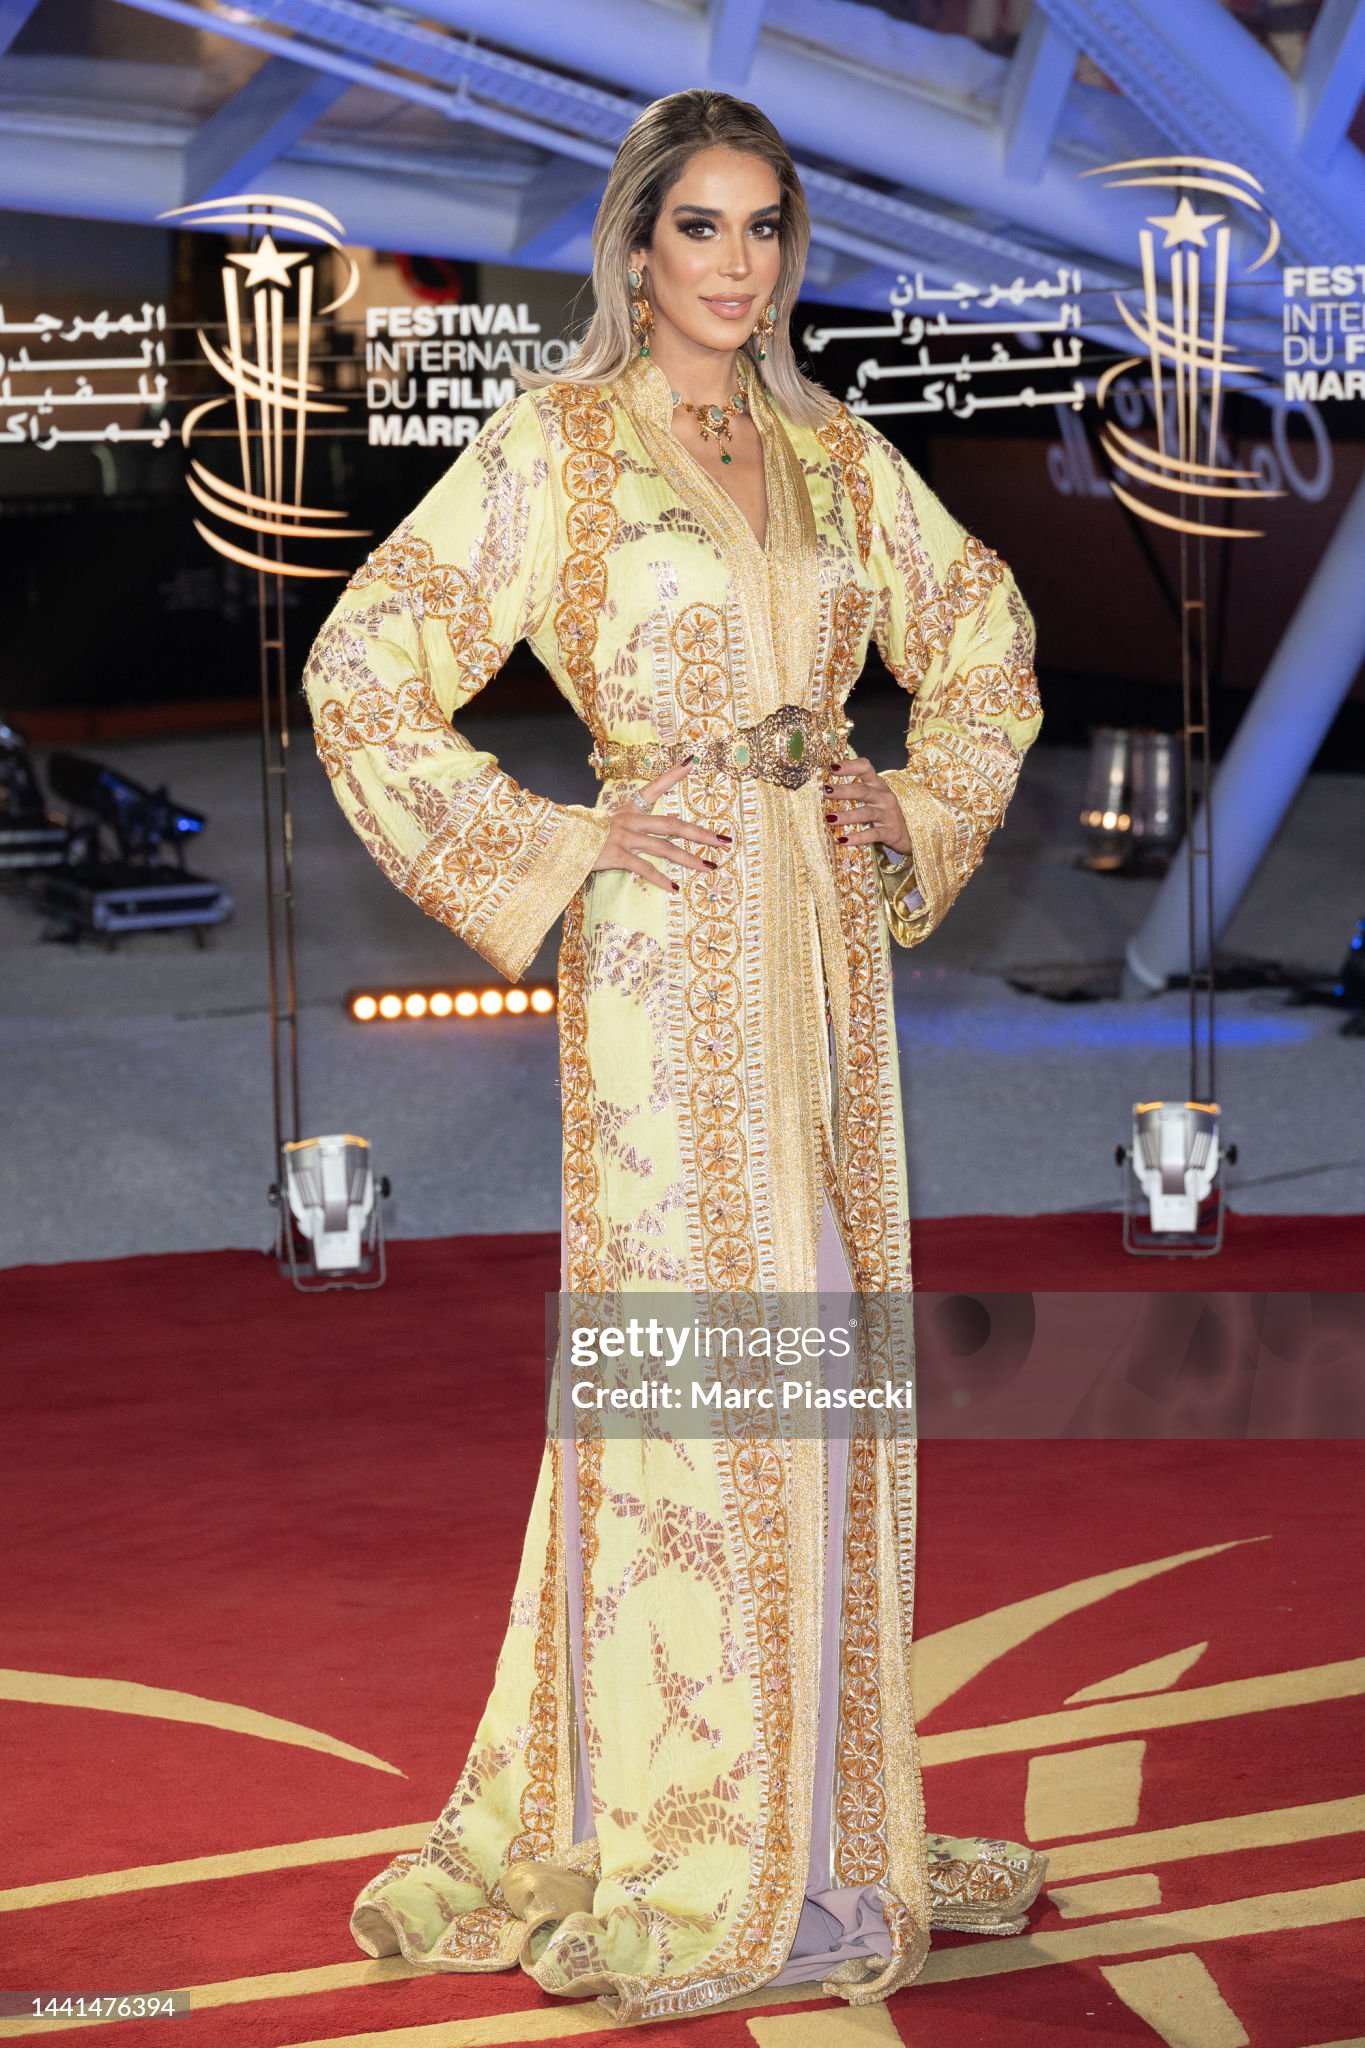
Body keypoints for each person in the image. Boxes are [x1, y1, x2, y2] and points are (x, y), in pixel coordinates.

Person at [302, 87, 1046, 2027]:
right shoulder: (552, 445)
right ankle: (697, 1834)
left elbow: (978, 627)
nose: (736, 264)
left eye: (766, 228)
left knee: (817, 1356)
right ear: (635, 250)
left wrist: (922, 800)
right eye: (699, 228)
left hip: (818, 940)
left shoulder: (828, 444)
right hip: (658, 951)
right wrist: (557, 836)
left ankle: (819, 1828)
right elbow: (365, 661)